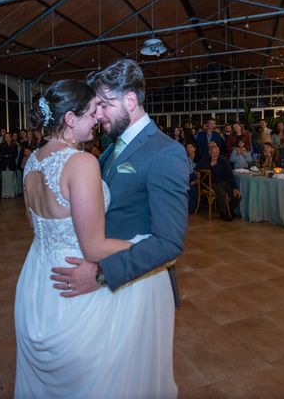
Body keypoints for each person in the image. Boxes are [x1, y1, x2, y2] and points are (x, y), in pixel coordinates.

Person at [44, 60, 188, 398]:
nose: (98, 115)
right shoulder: (109, 151)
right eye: (96, 108)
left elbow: (169, 243)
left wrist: (100, 274)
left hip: (139, 284)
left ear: (131, 101)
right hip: (117, 285)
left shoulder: (167, 152)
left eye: (104, 105)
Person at [197, 141, 241, 221]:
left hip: (225, 182)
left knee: (237, 196)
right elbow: (197, 167)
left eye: (216, 152)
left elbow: (229, 174)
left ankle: (229, 211)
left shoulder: (223, 159)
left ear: (219, 152)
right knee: (222, 195)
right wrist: (210, 164)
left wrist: (235, 187)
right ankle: (223, 214)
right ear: (210, 153)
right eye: (213, 153)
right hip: (212, 183)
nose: (215, 154)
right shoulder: (206, 158)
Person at [0, 132, 18, 198]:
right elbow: (2, 154)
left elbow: (15, 154)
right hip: (4, 164)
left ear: (11, 137)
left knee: (11, 180)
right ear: (4, 138)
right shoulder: (1, 145)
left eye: (9, 137)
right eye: (6, 137)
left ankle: (12, 194)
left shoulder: (14, 145)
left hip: (11, 164)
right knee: (5, 180)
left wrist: (8, 155)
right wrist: (8, 155)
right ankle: (5, 194)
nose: (7, 138)